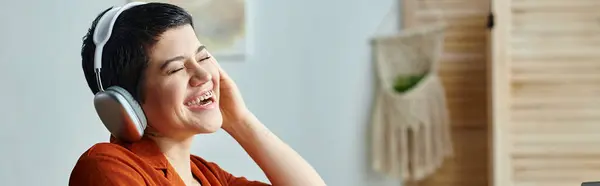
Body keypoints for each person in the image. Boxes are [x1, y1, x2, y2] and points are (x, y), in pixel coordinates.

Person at [69, 2, 326, 186]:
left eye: (203, 57)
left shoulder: (208, 177)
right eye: (177, 68)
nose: (203, 75)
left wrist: (241, 121)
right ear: (126, 101)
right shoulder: (106, 167)